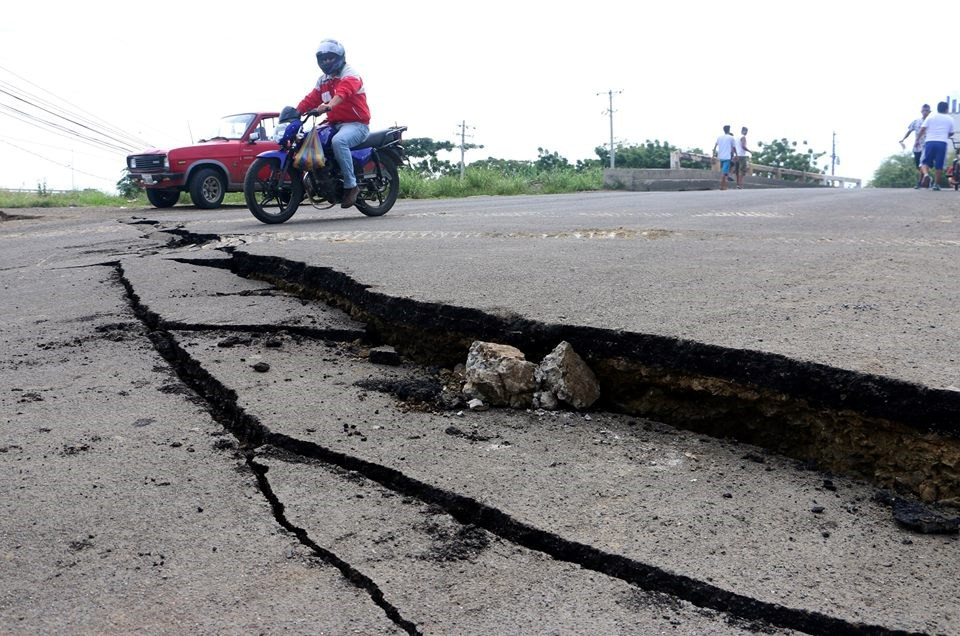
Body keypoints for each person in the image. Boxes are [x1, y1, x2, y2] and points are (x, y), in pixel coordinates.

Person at [296, 39, 370, 208]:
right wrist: (295, 112)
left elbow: (343, 92)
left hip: (357, 124)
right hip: (334, 123)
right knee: (311, 137)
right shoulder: (323, 80)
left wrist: (329, 105)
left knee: (339, 141)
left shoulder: (350, 74)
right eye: (324, 59)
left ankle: (351, 186)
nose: (327, 61)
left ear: (340, 57)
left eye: (330, 58)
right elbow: (311, 99)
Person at [916, 101, 955, 191]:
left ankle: (926, 175)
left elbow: (922, 129)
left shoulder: (930, 117)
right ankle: (936, 185)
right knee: (939, 164)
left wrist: (917, 140)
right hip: (942, 143)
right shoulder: (950, 119)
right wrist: (946, 135)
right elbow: (951, 132)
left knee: (924, 162)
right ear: (946, 109)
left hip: (929, 142)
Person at [900, 104, 931, 188]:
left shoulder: (931, 121)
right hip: (917, 146)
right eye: (923, 110)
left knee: (923, 163)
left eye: (927, 110)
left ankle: (920, 182)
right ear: (921, 111)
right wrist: (903, 139)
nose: (925, 112)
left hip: (927, 145)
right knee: (918, 165)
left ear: (929, 112)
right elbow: (909, 131)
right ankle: (926, 178)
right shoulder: (916, 121)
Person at [712, 125, 738, 190]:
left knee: (724, 172)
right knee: (724, 172)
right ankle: (722, 186)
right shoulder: (731, 138)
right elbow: (734, 148)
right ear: (729, 130)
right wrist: (736, 155)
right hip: (727, 157)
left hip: (720, 157)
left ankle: (724, 186)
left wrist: (713, 155)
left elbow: (715, 147)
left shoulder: (719, 137)